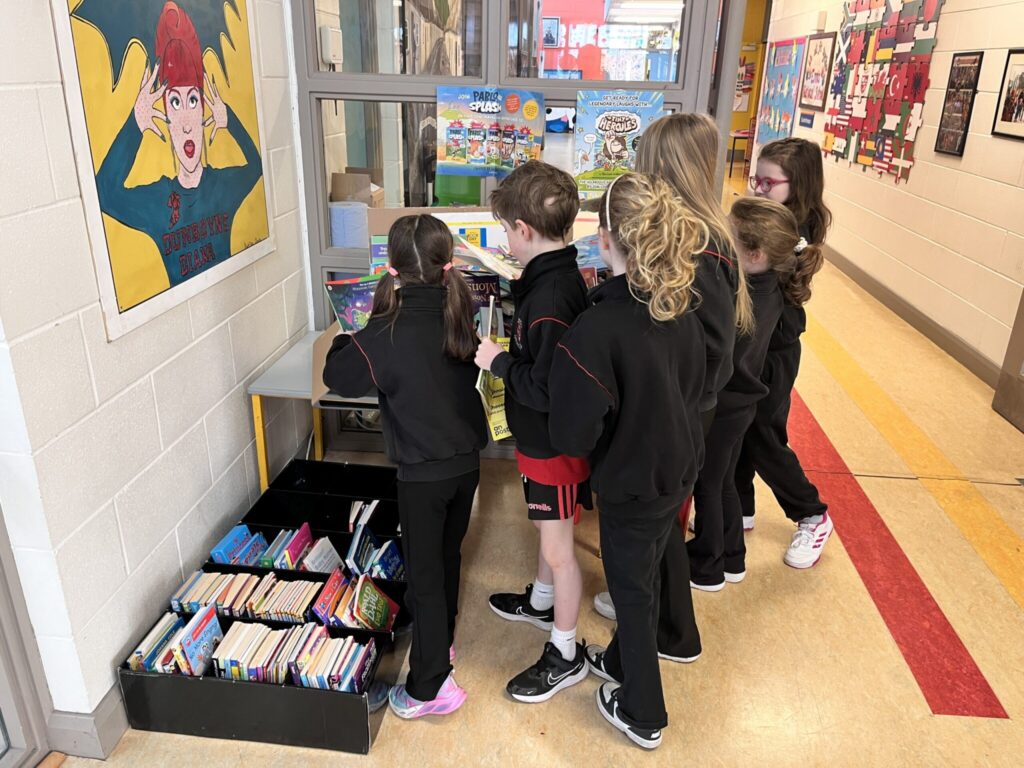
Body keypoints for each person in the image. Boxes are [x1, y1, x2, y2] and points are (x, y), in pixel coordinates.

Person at [548, 173, 708, 750]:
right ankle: (629, 657)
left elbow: (573, 433)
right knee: (651, 567)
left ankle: (643, 711)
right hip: (678, 470)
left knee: (632, 593)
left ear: (605, 239)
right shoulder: (680, 308)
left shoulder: (595, 331)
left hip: (632, 483)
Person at [592, 113, 753, 665]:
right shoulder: (698, 235)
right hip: (685, 405)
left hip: (682, 408)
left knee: (655, 523)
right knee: (660, 527)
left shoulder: (699, 246)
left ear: (662, 166)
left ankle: (660, 634)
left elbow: (709, 351)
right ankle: (669, 626)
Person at [323, 215, 487, 719]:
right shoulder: (460, 311)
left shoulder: (384, 331)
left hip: (422, 474)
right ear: (448, 264)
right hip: (465, 466)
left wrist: (347, 332)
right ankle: (442, 641)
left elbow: (338, 375)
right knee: (446, 557)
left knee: (425, 571)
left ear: (390, 268)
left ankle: (430, 686)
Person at [475, 161, 591, 703]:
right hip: (540, 442)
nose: (505, 239)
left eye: (505, 230)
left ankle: (565, 651)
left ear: (523, 230)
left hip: (553, 447)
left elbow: (548, 389)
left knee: (560, 548)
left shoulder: (550, 299)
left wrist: (499, 362)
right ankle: (542, 602)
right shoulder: (550, 278)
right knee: (548, 529)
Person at [688, 197, 815, 589]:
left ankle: (707, 565)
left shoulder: (745, 300)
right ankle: (732, 557)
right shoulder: (769, 287)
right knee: (723, 481)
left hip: (724, 404)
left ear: (754, 254)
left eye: (729, 235)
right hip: (742, 403)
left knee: (708, 484)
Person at [95, 1, 263, 287]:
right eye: (175, 102)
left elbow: (257, 167)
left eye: (193, 100)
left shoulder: (222, 189)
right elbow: (105, 193)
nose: (186, 123)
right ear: (166, 117)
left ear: (203, 110)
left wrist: (229, 119)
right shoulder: (158, 203)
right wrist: (135, 124)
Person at [736, 138, 833, 568]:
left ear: (798, 186)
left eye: (768, 183)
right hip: (756, 343)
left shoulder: (791, 236)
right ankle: (738, 506)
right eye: (755, 179)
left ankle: (811, 514)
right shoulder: (769, 218)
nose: (757, 188)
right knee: (738, 426)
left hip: (773, 352)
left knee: (763, 435)